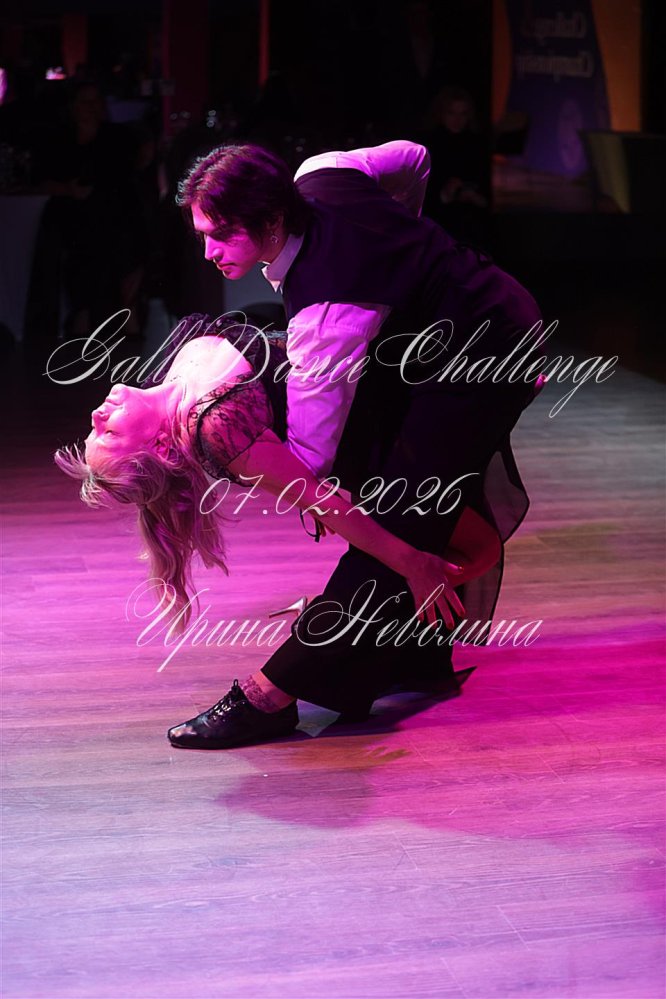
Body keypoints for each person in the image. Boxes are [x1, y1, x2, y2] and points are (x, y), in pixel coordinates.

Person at [56, 140, 543, 750]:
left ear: (273, 218)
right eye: (105, 433)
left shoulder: (322, 290)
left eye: (220, 234)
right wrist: (395, 250)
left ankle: (275, 695)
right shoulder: (322, 194)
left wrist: (397, 255)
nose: (208, 252)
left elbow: (417, 158)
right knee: (401, 534)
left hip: (481, 347)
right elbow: (315, 475)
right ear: (158, 447)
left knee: (407, 532)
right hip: (456, 354)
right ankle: (382, 661)